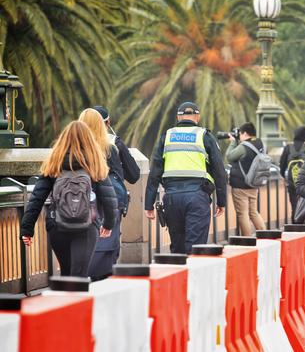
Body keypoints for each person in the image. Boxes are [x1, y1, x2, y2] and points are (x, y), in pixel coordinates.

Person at [20, 121, 117, 277]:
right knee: (79, 275)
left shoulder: (54, 164)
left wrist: (27, 228)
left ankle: (66, 298)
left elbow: (37, 198)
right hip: (87, 226)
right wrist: (109, 223)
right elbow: (109, 197)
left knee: (66, 273)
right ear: (89, 140)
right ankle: (78, 300)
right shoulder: (94, 164)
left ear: (63, 140)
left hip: (57, 226)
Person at [145, 102, 227, 253]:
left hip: (171, 198)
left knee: (177, 248)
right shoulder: (205, 136)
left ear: (178, 117)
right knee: (195, 249)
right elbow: (219, 172)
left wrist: (148, 204)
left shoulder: (167, 136)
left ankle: (178, 274)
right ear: (197, 117)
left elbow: (155, 172)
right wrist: (221, 201)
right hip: (197, 198)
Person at [79, 108, 139, 280]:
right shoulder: (113, 144)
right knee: (107, 245)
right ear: (107, 123)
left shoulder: (74, 145)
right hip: (108, 203)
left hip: (78, 203)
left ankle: (82, 279)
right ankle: (98, 281)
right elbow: (134, 175)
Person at [226, 122, 266, 236]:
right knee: (253, 212)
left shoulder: (244, 146)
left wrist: (233, 143)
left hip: (240, 185)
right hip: (254, 183)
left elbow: (229, 157)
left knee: (243, 214)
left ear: (244, 133)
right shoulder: (260, 144)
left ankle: (247, 240)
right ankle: (265, 234)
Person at [279, 126, 305, 221]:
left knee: (295, 207)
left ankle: (295, 227)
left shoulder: (288, 148)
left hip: (292, 184)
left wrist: (285, 178)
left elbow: (282, 166)